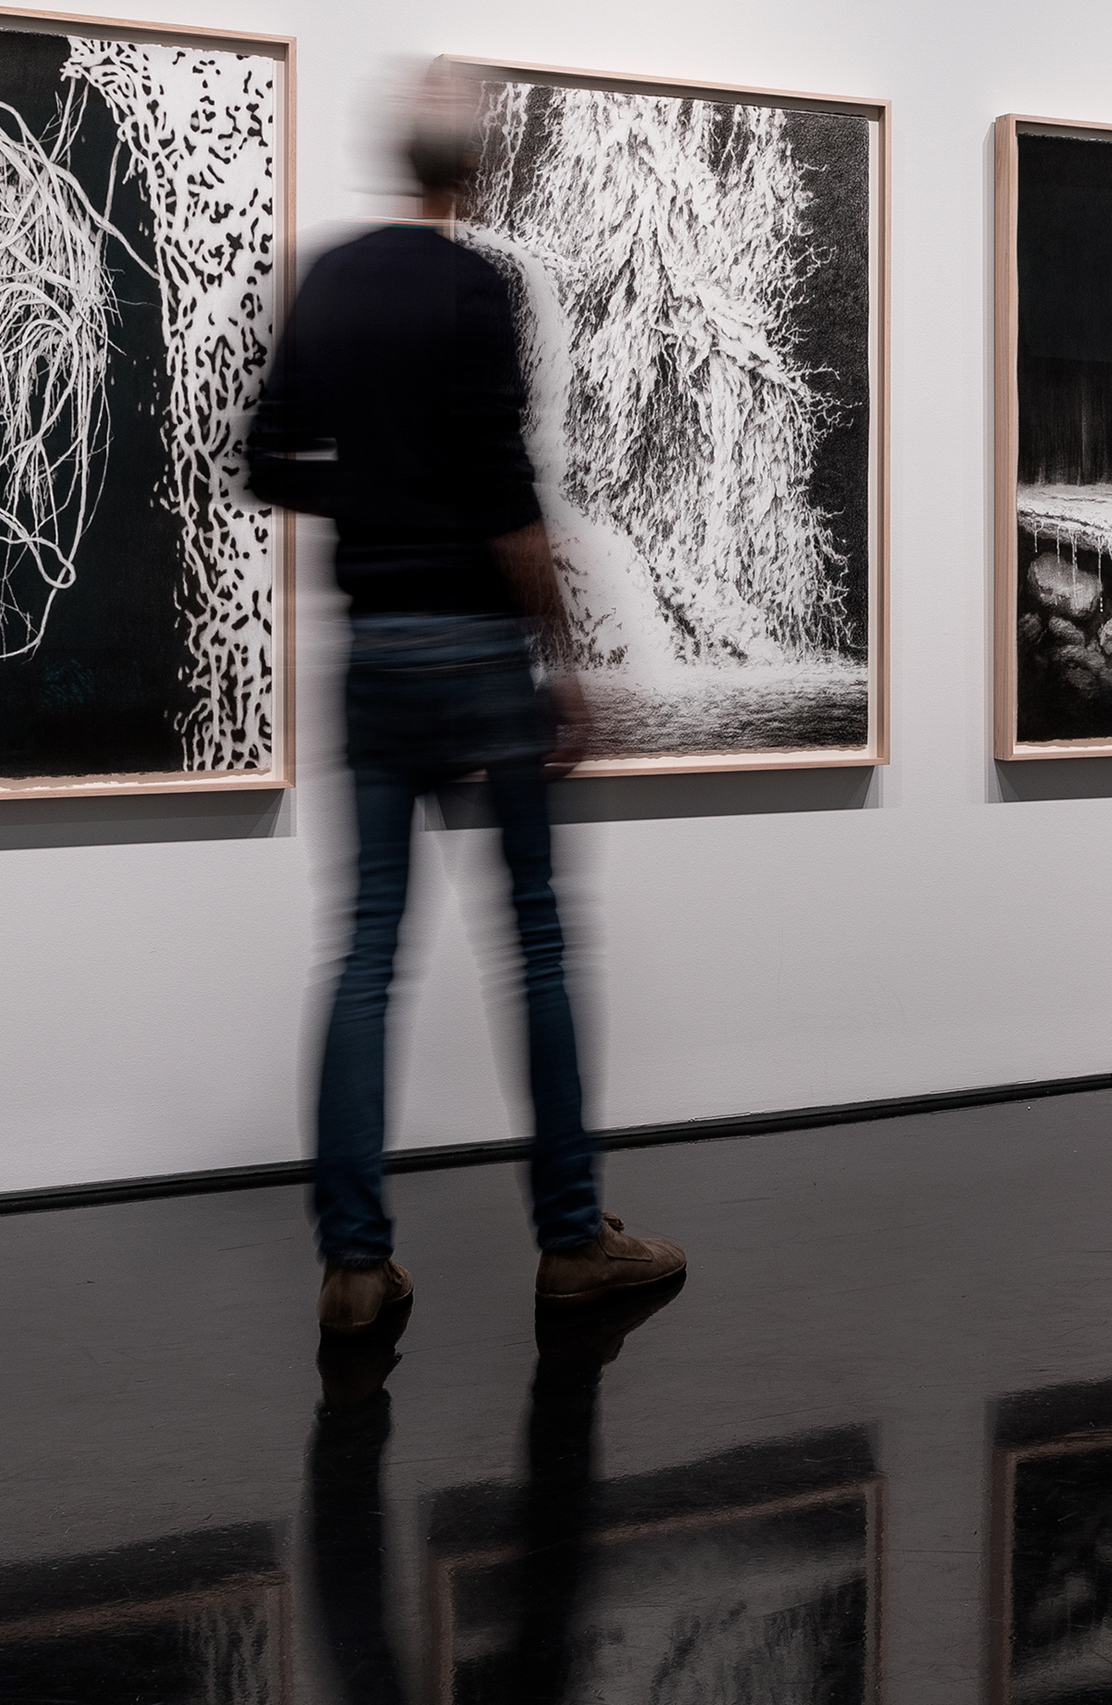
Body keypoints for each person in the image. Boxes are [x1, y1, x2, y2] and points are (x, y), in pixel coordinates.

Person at [251, 68, 684, 1332]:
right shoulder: (472, 286)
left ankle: (352, 1263)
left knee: (363, 954)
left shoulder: (328, 279)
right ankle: (571, 1238)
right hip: (476, 652)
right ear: (470, 169)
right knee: (536, 940)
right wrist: (562, 661)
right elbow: (504, 489)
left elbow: (266, 457)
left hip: (373, 654)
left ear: (396, 155)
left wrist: (371, 496)